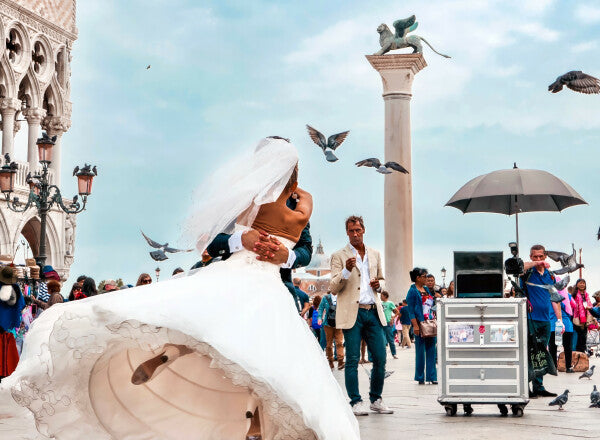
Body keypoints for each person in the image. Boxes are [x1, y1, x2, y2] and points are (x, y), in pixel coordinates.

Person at [1, 137, 359, 440]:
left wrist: (286, 255)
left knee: (239, 343)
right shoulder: (250, 197)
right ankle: (251, 421)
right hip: (244, 278)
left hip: (266, 282)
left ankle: (213, 387)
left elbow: (305, 250)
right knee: (248, 348)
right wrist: (241, 239)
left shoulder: (296, 203)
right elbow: (213, 237)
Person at [330, 215, 393, 417]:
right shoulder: (339, 256)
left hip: (373, 311)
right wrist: (347, 271)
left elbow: (382, 280)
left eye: (358, 230)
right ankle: (356, 401)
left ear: (363, 230)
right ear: (347, 232)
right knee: (353, 359)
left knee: (381, 358)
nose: (355, 234)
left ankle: (376, 398)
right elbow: (333, 287)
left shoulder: (374, 254)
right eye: (351, 231)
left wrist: (379, 285)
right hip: (352, 313)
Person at [520, 244, 560, 398]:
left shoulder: (550, 275)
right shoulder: (527, 272)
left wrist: (559, 320)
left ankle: (539, 386)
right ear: (531, 257)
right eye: (534, 256)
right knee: (530, 352)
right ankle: (526, 386)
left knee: (541, 353)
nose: (538, 259)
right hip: (531, 319)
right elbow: (519, 266)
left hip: (546, 319)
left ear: (545, 256)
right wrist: (536, 264)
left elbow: (554, 298)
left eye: (540, 257)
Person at [406, 267, 437, 384]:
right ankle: (420, 377)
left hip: (429, 322)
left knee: (431, 350)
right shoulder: (412, 291)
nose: (426, 278)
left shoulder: (426, 290)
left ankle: (432, 376)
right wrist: (415, 325)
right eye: (424, 276)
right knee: (420, 351)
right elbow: (411, 310)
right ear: (418, 278)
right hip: (420, 323)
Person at [318, 291, 345, 370]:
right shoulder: (325, 298)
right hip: (328, 324)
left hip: (339, 323)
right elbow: (320, 308)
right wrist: (319, 318)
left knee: (339, 343)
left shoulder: (341, 296)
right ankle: (330, 361)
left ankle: (340, 361)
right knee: (329, 344)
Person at [572, 278, 591, 354]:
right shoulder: (574, 294)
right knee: (577, 338)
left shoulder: (587, 295)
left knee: (583, 338)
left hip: (585, 319)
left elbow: (590, 306)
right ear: (577, 285)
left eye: (583, 283)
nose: (582, 284)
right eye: (580, 283)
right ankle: (576, 355)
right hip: (576, 319)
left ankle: (582, 355)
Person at [380, 291, 398, 359]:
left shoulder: (390, 303)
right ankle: (383, 355)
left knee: (390, 339)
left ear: (385, 296)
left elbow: (397, 312)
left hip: (388, 323)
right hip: (381, 323)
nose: (380, 297)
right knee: (382, 340)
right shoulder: (380, 303)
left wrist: (392, 318)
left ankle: (394, 353)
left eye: (381, 296)